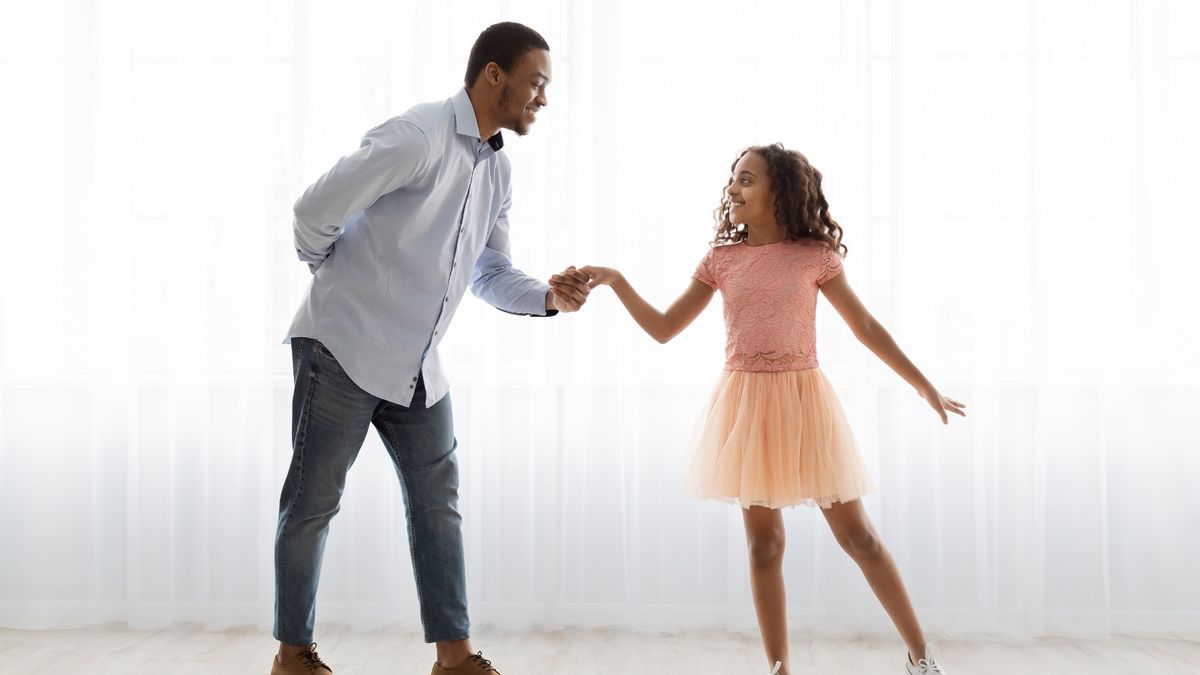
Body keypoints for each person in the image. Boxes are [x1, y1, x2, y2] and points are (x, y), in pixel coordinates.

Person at [272, 22, 590, 675]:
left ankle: (455, 656)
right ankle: (291, 654)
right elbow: (313, 211)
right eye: (537, 82)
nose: (544, 99)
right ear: (494, 74)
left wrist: (549, 296)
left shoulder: (497, 169)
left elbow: (488, 273)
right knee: (312, 501)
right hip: (343, 347)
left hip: (418, 366)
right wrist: (336, 281)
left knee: (437, 502)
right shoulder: (417, 136)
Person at [577, 143, 966, 675]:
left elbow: (866, 328)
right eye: (734, 179)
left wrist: (923, 386)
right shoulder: (721, 260)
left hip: (804, 404)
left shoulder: (814, 257)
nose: (734, 188)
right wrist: (617, 281)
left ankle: (921, 657)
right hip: (745, 408)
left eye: (748, 179)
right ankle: (779, 667)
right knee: (765, 546)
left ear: (780, 191)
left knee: (859, 537)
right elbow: (664, 329)